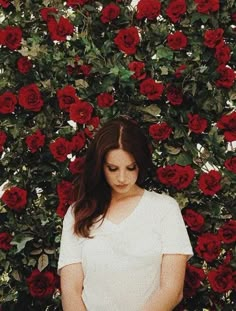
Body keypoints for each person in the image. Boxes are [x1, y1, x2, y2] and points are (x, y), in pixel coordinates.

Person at [58, 117, 193, 311]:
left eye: (131, 168)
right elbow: (71, 291)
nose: (122, 178)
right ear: (100, 166)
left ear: (141, 164)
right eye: (112, 169)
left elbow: (172, 290)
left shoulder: (164, 209)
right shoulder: (78, 214)